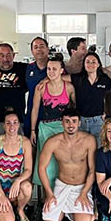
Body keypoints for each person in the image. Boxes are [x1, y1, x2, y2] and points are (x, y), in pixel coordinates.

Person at [38, 109, 96, 221]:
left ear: (79, 123)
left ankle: (91, 213)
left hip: (81, 188)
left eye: (74, 121)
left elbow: (92, 170)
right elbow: (41, 168)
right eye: (67, 121)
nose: (71, 125)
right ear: (62, 123)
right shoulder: (53, 142)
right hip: (62, 186)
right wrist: (49, 193)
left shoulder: (89, 140)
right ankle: (67, 211)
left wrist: (85, 192)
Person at [30, 54, 76, 188]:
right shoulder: (41, 88)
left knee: (63, 162)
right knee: (47, 164)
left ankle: (63, 198)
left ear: (62, 71)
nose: (51, 72)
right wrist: (33, 130)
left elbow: (75, 110)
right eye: (49, 69)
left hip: (64, 129)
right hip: (45, 128)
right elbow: (35, 109)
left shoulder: (69, 87)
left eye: (54, 69)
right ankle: (47, 199)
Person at [0, 109, 34, 221]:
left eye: (15, 122)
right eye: (8, 123)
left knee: (27, 187)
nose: (12, 126)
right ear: (4, 125)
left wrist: (18, 181)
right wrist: (1, 195)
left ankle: (20, 210)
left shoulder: (25, 142)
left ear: (19, 124)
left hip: (14, 185)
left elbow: (28, 169)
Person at [65, 52, 111, 141]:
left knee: (98, 150)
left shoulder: (104, 80)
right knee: (81, 152)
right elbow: (58, 78)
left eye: (93, 62)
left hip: (98, 122)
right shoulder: (78, 78)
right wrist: (45, 81)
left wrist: (107, 113)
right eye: (88, 62)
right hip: (81, 121)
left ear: (98, 64)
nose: (90, 64)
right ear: (84, 64)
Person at [0, 43, 28, 140]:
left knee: (18, 151)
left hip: (17, 120)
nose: (5, 59)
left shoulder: (23, 69)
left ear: (14, 55)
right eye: (2, 55)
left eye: (8, 55)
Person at [24, 36, 49, 136]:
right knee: (31, 147)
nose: (39, 49)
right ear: (32, 51)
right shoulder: (28, 68)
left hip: (51, 117)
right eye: (36, 47)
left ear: (47, 49)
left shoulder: (55, 67)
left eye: (42, 46)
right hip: (31, 114)